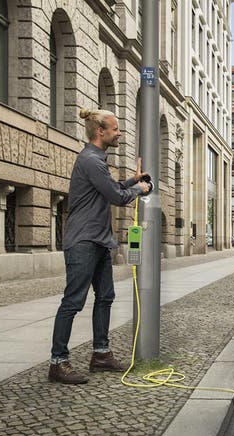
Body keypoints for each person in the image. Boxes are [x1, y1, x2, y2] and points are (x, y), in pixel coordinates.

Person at [48, 109, 151, 384]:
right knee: (72, 302)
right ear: (100, 132)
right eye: (115, 129)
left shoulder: (96, 161)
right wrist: (139, 190)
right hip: (83, 242)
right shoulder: (91, 160)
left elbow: (110, 187)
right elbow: (116, 196)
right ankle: (58, 362)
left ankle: (101, 354)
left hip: (99, 241)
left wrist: (132, 180)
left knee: (105, 296)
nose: (119, 133)